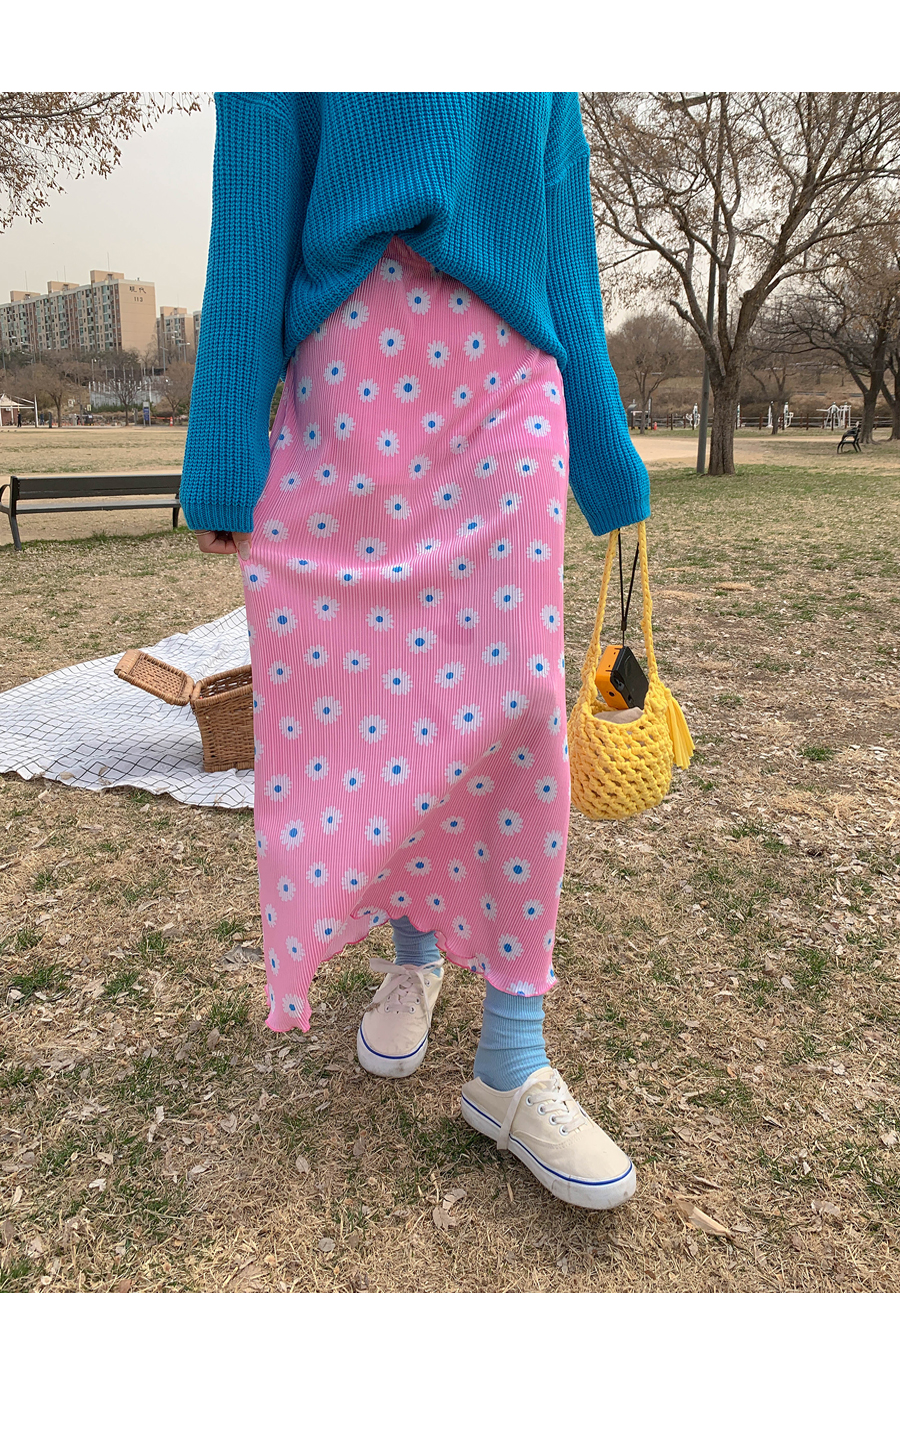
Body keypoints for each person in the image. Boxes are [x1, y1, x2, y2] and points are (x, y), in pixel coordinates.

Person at [181, 92, 650, 1212]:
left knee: (522, 704)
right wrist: (223, 447)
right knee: (384, 709)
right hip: (349, 380)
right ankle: (415, 953)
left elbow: (561, 233)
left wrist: (607, 453)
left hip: (508, 388)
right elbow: (253, 201)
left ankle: (513, 1056)